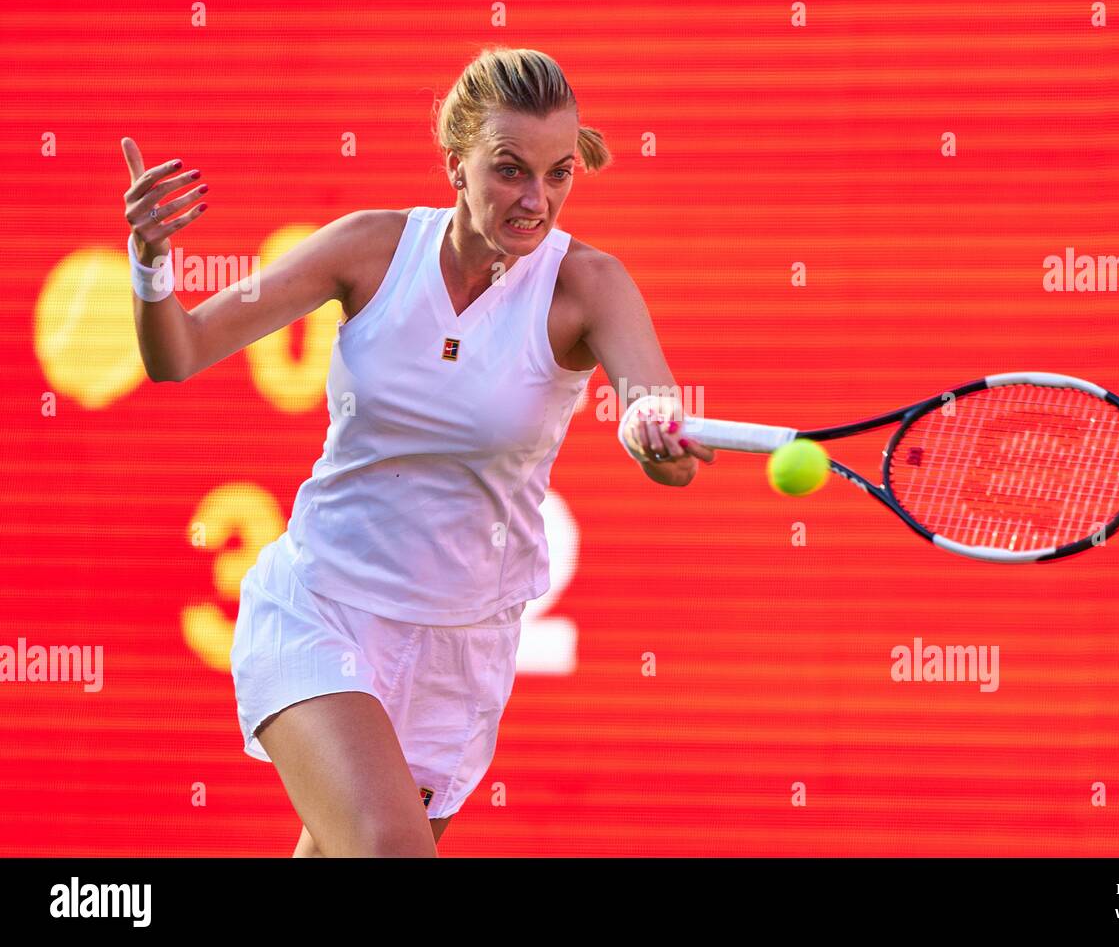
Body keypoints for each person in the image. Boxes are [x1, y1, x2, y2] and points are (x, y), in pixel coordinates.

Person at [122, 46, 716, 857]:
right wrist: (152, 265)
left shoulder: (590, 285)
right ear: (455, 165)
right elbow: (178, 354)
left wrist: (656, 432)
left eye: (558, 174)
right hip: (323, 606)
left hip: (460, 651)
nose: (535, 200)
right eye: (510, 170)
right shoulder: (369, 249)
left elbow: (665, 436)